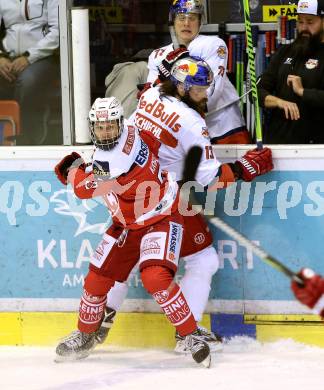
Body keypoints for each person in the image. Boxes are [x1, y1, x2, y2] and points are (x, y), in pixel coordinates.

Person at [97, 55, 273, 354]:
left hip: (129, 192)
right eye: (199, 88)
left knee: (123, 260)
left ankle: (99, 321)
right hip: (167, 197)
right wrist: (246, 168)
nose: (206, 94)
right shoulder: (191, 121)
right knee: (204, 260)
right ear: (181, 88)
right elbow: (211, 178)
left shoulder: (151, 93)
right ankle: (186, 335)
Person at [54, 96, 212, 367]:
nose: (105, 132)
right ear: (94, 127)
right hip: (128, 223)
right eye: (100, 127)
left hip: (161, 216)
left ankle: (190, 335)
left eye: (110, 127)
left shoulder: (111, 161)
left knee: (156, 277)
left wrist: (73, 170)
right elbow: (153, 141)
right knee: (96, 279)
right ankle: (86, 334)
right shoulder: (134, 127)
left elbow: (81, 189)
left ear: (118, 123)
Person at [145, 0, 249, 145]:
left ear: (200, 23)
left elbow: (210, 94)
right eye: (181, 18)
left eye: (192, 18)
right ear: (173, 21)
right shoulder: (158, 55)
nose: (186, 23)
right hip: (181, 129)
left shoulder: (213, 45)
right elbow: (151, 96)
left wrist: (169, 81)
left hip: (222, 127)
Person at [258, 0, 324, 144]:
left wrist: (302, 91)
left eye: (310, 22)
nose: (304, 28)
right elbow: (258, 91)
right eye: (300, 21)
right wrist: (278, 102)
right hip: (278, 143)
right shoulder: (285, 51)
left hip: (315, 147)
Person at [0, 0, 60, 145]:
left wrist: (29, 57)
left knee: (28, 81)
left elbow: (58, 31)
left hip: (42, 57)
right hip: (7, 58)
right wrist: (0, 57)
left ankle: (26, 137)